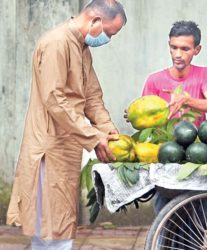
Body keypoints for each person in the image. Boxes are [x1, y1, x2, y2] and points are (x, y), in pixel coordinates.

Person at [6, 0, 127, 249]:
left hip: (67, 144)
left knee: (60, 224)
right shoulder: (56, 43)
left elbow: (92, 96)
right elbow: (55, 100)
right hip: (48, 148)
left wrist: (108, 129)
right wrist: (93, 138)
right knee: (50, 229)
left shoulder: (81, 47)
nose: (108, 40)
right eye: (109, 33)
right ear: (95, 22)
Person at [142, 20, 207, 128]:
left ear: (197, 50)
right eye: (174, 47)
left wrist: (186, 100)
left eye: (185, 49)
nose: (178, 54)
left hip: (196, 143)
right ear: (169, 46)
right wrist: (135, 113)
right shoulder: (153, 80)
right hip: (162, 142)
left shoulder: (205, 73)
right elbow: (145, 114)